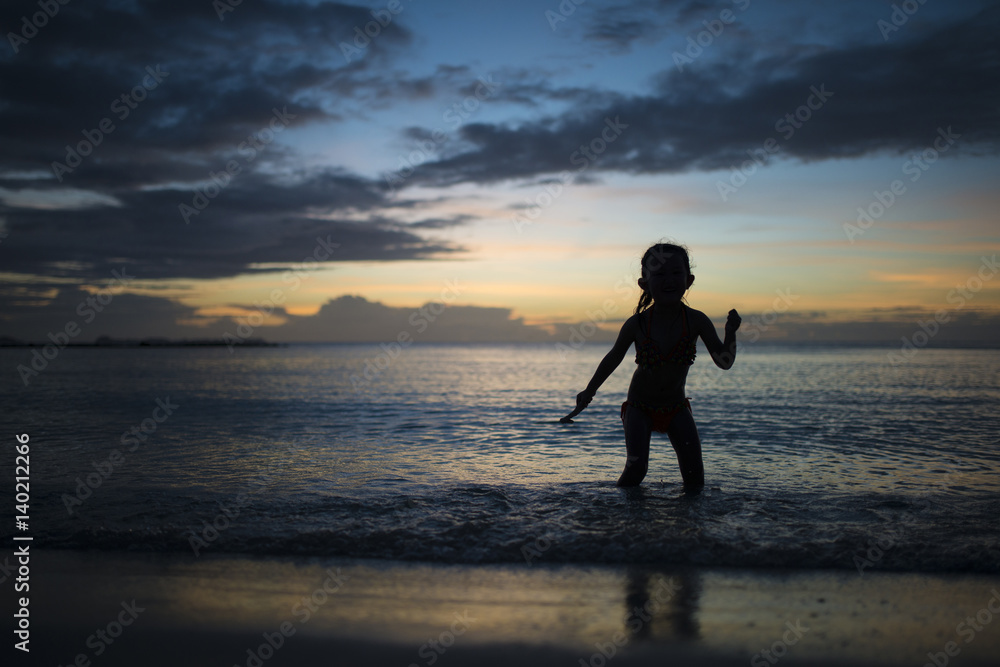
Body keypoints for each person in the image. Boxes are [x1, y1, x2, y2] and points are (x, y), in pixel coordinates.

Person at [569, 242, 741, 491]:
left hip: (676, 407)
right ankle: (624, 515)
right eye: (659, 274)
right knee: (637, 469)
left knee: (695, 476)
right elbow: (613, 358)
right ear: (644, 284)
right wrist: (589, 390)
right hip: (640, 407)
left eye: (676, 273)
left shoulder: (697, 321)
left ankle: (692, 524)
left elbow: (724, 362)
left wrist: (731, 333)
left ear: (689, 280)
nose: (669, 280)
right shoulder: (637, 324)